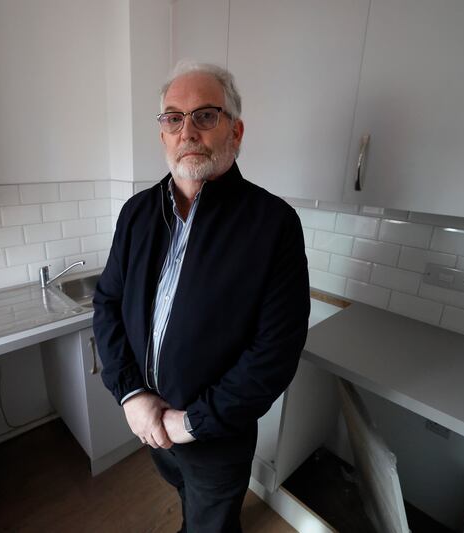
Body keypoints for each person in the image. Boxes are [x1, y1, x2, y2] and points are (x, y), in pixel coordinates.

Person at [92, 61, 310, 532]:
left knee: (211, 522)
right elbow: (107, 303)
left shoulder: (274, 226)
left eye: (205, 116)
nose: (187, 130)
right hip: (149, 422)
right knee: (182, 493)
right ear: (163, 133)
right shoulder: (136, 213)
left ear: (236, 130)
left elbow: (275, 353)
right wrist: (132, 394)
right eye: (173, 117)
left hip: (214, 435)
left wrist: (189, 424)